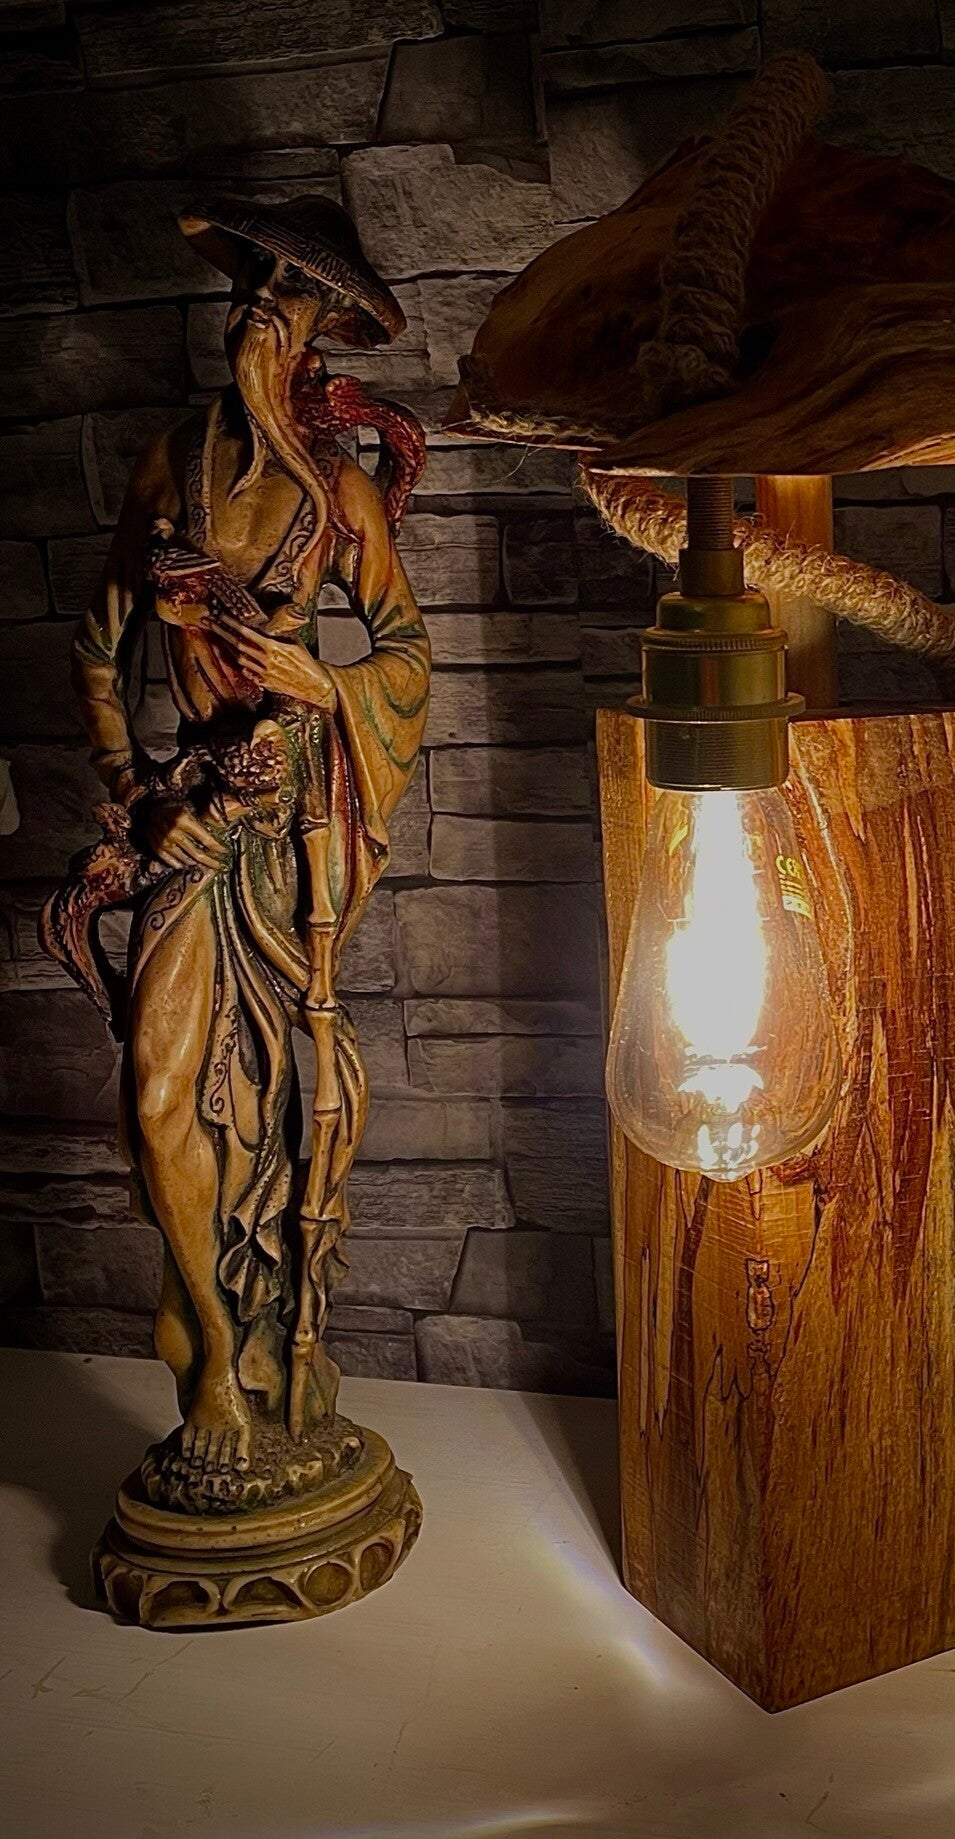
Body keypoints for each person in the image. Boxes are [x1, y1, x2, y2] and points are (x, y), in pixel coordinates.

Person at [59, 198, 429, 1506]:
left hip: (290, 842)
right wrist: (131, 792)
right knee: (158, 1097)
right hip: (192, 831)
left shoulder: (341, 499)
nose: (255, 313)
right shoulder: (171, 468)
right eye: (250, 290)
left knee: (280, 1107)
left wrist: (319, 683)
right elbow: (98, 648)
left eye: (284, 299)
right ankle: (212, 1361)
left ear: (317, 332)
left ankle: (276, 1361)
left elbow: (405, 656)